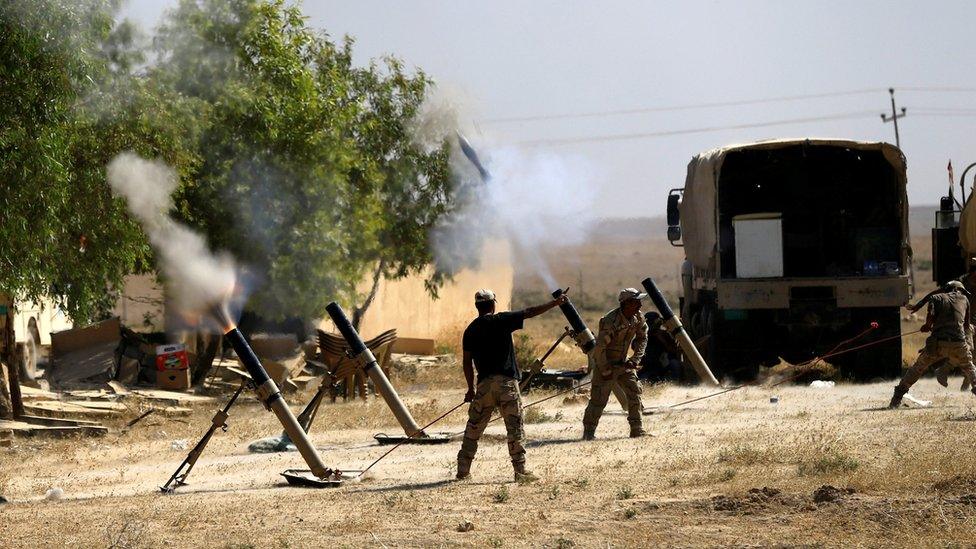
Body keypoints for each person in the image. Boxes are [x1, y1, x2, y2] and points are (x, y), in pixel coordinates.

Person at [456, 288, 567, 482]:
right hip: (506, 383)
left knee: (474, 428)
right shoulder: (502, 320)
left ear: (477, 306)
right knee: (514, 427)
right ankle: (520, 471)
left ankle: (463, 470)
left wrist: (470, 389)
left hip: (484, 386)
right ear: (493, 304)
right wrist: (555, 303)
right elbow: (530, 311)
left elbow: (466, 362)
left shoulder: (471, 330)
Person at [889, 280, 976, 408]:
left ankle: (896, 399)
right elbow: (966, 326)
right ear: (958, 290)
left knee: (917, 369)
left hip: (937, 344)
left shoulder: (936, 298)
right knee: (970, 369)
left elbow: (930, 318)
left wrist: (926, 326)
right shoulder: (964, 299)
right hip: (959, 344)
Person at [582, 288, 649, 439]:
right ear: (626, 303)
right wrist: (606, 370)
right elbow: (600, 349)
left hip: (624, 363)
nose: (640, 305)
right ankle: (589, 433)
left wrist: (635, 359)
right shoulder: (610, 321)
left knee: (634, 392)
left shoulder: (638, 317)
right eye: (636, 301)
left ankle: (637, 430)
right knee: (599, 399)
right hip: (605, 363)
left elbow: (642, 338)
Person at [935, 261, 976, 390]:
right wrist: (919, 304)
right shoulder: (960, 283)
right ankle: (945, 370)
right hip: (965, 323)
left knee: (971, 354)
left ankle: (965, 384)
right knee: (967, 350)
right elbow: (938, 293)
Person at [638, 311, 681, 382]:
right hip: (650, 367)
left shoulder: (664, 334)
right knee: (643, 380)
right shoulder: (642, 336)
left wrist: (662, 340)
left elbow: (674, 350)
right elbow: (636, 349)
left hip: (665, 366)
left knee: (675, 364)